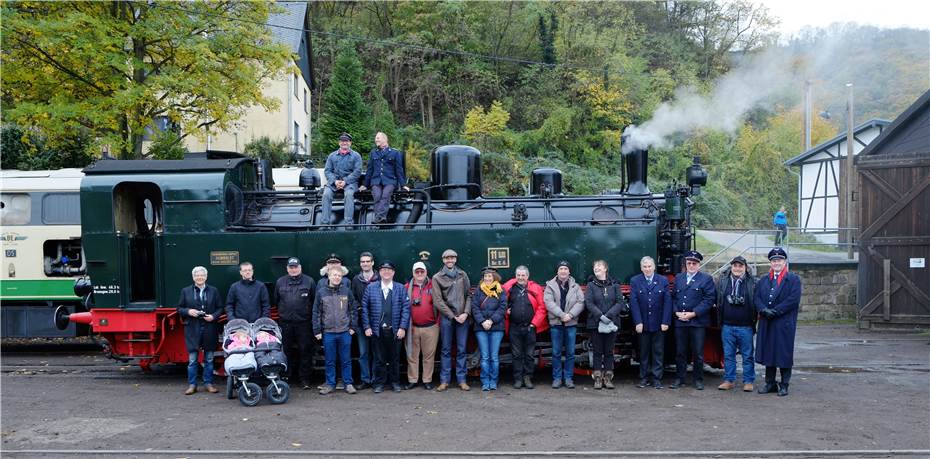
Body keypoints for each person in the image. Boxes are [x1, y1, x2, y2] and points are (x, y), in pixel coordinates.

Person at [755, 247, 802, 397]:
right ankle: (770, 383)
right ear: (770, 262)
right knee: (769, 353)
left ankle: (784, 384)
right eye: (774, 260)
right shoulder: (763, 280)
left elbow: (793, 300)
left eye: (779, 260)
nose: (776, 263)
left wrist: (775, 311)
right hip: (767, 321)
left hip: (783, 323)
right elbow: (756, 297)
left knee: (783, 354)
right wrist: (763, 310)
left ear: (784, 262)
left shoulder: (793, 279)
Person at [362, 261, 411, 393]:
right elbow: (365, 309)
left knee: (395, 359)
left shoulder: (401, 288)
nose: (386, 272)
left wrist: (402, 327)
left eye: (389, 270)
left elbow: (406, 310)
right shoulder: (371, 288)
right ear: (380, 272)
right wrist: (367, 326)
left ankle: (395, 382)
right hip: (377, 331)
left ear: (393, 273)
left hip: (395, 330)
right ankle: (379, 383)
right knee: (379, 359)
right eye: (383, 270)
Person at [670, 250, 716, 390]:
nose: (691, 265)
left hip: (697, 322)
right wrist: (676, 312)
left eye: (694, 263)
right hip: (680, 321)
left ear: (699, 265)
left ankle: (698, 379)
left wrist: (693, 313)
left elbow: (709, 300)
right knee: (680, 352)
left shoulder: (706, 279)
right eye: (689, 263)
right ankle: (680, 378)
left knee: (698, 353)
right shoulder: (679, 278)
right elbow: (673, 297)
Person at [177, 266, 224, 395]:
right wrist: (189, 311)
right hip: (193, 327)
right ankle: (192, 385)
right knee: (192, 359)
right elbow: (179, 308)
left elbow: (220, 308)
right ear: (193, 277)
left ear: (206, 277)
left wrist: (213, 316)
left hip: (209, 327)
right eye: (197, 275)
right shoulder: (185, 291)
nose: (200, 277)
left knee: (209, 359)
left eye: (202, 275)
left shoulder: (214, 291)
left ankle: (208, 383)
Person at [431, 249, 473, 391]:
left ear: (455, 259)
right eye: (447, 258)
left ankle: (462, 380)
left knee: (462, 350)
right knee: (446, 350)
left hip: (462, 318)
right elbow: (437, 300)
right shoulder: (437, 277)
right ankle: (444, 380)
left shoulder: (462, 275)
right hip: (447, 319)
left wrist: (466, 313)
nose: (450, 260)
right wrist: (451, 315)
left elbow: (469, 295)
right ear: (443, 260)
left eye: (452, 258)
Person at [312, 264, 358, 395]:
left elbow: (353, 309)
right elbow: (316, 312)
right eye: (334, 275)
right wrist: (317, 330)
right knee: (330, 360)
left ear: (342, 277)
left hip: (344, 332)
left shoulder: (346, 291)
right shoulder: (321, 292)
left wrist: (353, 327)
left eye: (339, 275)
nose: (337, 277)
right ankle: (330, 384)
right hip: (328, 333)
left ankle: (348, 383)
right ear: (329, 276)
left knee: (346, 359)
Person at [629, 256, 672, 389]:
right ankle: (643, 378)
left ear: (654, 267)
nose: (647, 269)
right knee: (644, 352)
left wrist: (665, 321)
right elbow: (634, 303)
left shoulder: (663, 280)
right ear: (641, 268)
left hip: (658, 323)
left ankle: (656, 379)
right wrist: (638, 322)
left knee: (658, 352)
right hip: (643, 323)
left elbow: (667, 302)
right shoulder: (635, 281)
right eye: (645, 267)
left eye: (649, 266)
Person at [716, 255, 757, 392]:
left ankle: (748, 381)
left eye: (740, 266)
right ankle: (729, 380)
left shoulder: (752, 282)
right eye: (735, 266)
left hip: (746, 326)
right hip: (727, 325)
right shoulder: (723, 281)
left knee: (747, 355)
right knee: (728, 355)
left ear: (745, 268)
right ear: (731, 267)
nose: (737, 268)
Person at [274, 257, 316, 390]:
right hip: (285, 323)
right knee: (285, 351)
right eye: (291, 267)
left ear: (300, 267)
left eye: (295, 267)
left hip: (304, 323)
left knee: (305, 351)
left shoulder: (309, 281)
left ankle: (305, 379)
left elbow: (314, 301)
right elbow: (276, 300)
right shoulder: (280, 282)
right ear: (287, 268)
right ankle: (286, 377)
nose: (293, 269)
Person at [502, 265, 546, 389]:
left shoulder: (535, 288)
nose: (520, 277)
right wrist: (506, 311)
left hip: (530, 327)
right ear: (515, 276)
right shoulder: (510, 288)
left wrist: (534, 324)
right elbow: (500, 302)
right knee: (516, 355)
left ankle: (528, 377)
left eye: (523, 275)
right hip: (514, 327)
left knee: (529, 355)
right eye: (518, 275)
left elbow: (542, 308)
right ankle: (517, 379)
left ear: (527, 276)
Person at [584, 260, 626, 390]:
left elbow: (620, 302)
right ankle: (597, 377)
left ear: (605, 269)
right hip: (596, 323)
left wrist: (608, 316)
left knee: (609, 351)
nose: (596, 269)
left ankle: (608, 377)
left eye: (599, 267)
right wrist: (600, 316)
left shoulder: (615, 285)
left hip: (611, 322)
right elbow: (589, 303)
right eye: (595, 267)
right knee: (597, 351)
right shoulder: (591, 286)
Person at [544, 261, 584, 389]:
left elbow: (581, 302)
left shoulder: (575, 287)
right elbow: (548, 302)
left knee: (570, 352)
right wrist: (562, 315)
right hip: (556, 323)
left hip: (571, 323)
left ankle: (568, 378)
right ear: (557, 271)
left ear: (569, 271)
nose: (563, 271)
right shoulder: (550, 286)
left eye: (565, 269)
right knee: (556, 352)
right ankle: (556, 378)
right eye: (561, 268)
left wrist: (570, 315)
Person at [472, 267, 507, 391]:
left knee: (494, 356)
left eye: (489, 277)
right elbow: (474, 308)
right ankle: (485, 381)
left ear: (494, 278)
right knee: (485, 356)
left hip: (496, 327)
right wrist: (482, 321)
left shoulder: (500, 290)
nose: (487, 279)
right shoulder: (478, 291)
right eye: (485, 276)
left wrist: (491, 320)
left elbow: (502, 307)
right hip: (481, 328)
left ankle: (493, 381)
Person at [404, 261, 438, 390]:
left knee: (428, 355)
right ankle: (412, 379)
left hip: (431, 326)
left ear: (426, 272)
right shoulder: (407, 287)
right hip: (412, 326)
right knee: (412, 355)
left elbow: (440, 304)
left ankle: (427, 379)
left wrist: (437, 323)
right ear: (413, 273)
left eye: (422, 271)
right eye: (417, 272)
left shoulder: (433, 286)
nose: (419, 274)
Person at [362, 132, 406, 224]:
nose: (376, 140)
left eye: (378, 138)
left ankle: (379, 217)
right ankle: (381, 218)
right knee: (377, 195)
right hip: (376, 180)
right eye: (375, 138)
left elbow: (399, 169)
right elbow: (370, 169)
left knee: (386, 195)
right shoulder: (373, 153)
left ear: (385, 139)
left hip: (390, 180)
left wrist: (403, 184)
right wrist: (365, 185)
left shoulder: (395, 153)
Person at [321, 132, 362, 228]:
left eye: (346, 141)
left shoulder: (356, 156)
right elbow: (327, 171)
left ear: (350, 143)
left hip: (350, 183)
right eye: (342, 141)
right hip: (333, 183)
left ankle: (348, 223)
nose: (344, 143)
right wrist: (334, 181)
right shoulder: (332, 156)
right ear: (339, 143)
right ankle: (324, 223)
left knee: (348, 195)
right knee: (326, 195)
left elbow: (357, 172)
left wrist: (345, 181)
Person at [350, 252, 379, 390]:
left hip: (377, 321)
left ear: (372, 262)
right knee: (363, 353)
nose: (365, 264)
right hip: (362, 322)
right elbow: (353, 298)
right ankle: (365, 379)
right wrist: (360, 308)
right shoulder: (356, 279)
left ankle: (375, 379)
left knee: (376, 352)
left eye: (368, 261)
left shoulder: (379, 278)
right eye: (363, 262)